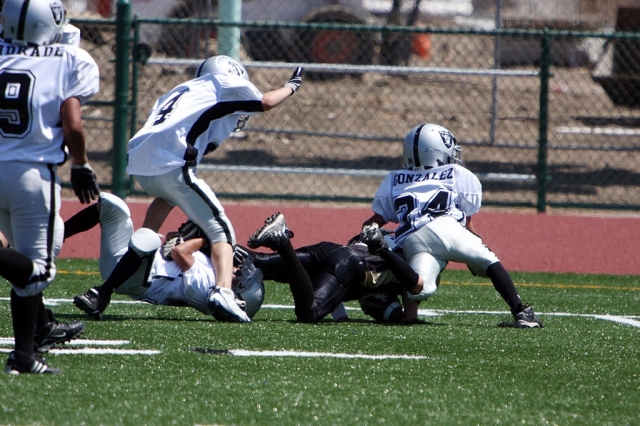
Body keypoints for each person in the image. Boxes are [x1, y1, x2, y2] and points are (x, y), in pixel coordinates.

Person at [74, 55, 303, 323]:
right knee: (223, 231)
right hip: (172, 162)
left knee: (148, 234)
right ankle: (223, 292)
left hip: (140, 164)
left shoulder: (181, 91)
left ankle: (101, 293)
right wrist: (292, 86)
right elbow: (265, 102)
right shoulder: (223, 81)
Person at [0, 0, 101, 374]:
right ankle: (24, 356)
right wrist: (81, 165)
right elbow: (72, 124)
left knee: (24, 267)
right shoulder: (67, 60)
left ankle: (29, 349)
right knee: (37, 269)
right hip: (31, 173)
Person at [362, 123, 543, 328]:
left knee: (421, 287)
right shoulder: (456, 173)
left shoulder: (395, 179)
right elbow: (466, 221)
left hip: (414, 238)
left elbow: (376, 220)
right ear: (439, 151)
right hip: (446, 227)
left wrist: (368, 234)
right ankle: (521, 312)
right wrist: (477, 247)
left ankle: (409, 315)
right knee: (488, 260)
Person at [69, 193, 265, 320]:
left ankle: (102, 294)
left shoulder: (206, 290)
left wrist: (209, 239)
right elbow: (174, 246)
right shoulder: (214, 278)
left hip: (135, 279)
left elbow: (179, 252)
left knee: (149, 238)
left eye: (241, 277)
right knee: (111, 207)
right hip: (130, 262)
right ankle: (55, 236)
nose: (238, 269)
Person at [245, 212, 423, 324]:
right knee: (309, 312)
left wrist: (342, 318)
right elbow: (415, 287)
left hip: (332, 251)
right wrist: (383, 251)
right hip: (350, 263)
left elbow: (335, 281)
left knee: (262, 263)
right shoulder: (407, 261)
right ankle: (282, 241)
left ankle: (220, 244)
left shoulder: (388, 238)